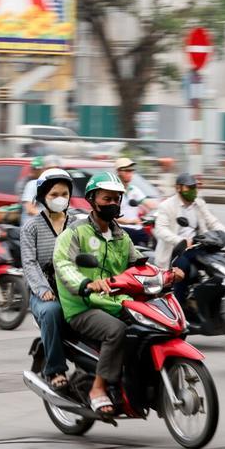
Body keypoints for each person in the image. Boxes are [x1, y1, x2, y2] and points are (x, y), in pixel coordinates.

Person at [53, 171, 157, 415]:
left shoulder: (121, 235)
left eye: (116, 199)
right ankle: (98, 389)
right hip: (83, 305)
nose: (112, 204)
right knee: (116, 331)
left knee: (149, 327)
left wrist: (166, 273)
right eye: (106, 199)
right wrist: (86, 284)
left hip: (116, 302)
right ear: (92, 199)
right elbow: (63, 265)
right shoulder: (75, 233)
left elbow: (139, 265)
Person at [20, 168, 74, 390]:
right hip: (45, 293)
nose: (60, 199)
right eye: (54, 195)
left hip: (76, 289)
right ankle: (55, 370)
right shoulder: (31, 227)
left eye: (64, 194)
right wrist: (42, 288)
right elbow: (29, 263)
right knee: (52, 311)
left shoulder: (78, 224)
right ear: (43, 196)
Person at [153, 172, 225, 306]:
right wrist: (180, 240)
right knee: (183, 268)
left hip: (197, 246)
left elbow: (212, 221)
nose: (193, 190)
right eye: (189, 187)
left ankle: (205, 299)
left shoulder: (199, 203)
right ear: (178, 188)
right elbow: (161, 229)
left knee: (218, 261)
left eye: (194, 187)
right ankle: (179, 304)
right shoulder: (166, 206)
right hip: (176, 249)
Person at [115, 157, 154, 244]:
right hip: (120, 229)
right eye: (126, 171)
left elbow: (148, 203)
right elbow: (111, 217)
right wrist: (130, 221)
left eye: (131, 171)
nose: (130, 173)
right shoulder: (113, 192)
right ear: (119, 172)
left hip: (137, 229)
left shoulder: (134, 190)